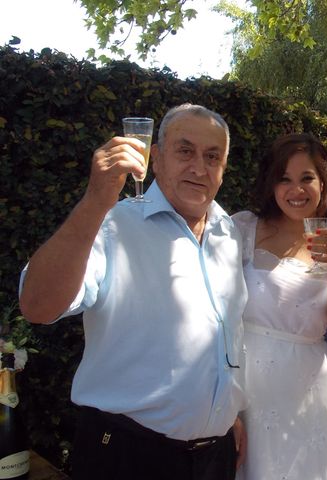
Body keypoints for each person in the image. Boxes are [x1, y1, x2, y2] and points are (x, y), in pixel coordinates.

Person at [18, 104, 248, 480]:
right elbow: (37, 306)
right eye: (185, 151)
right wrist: (95, 200)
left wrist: (224, 412)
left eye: (213, 157)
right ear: (155, 158)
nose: (199, 168)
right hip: (127, 456)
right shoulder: (112, 224)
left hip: (215, 457)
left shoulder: (228, 231)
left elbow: (225, 337)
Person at [232, 133, 327, 480]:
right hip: (245, 383)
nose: (296, 190)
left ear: (323, 183)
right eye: (284, 179)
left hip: (309, 387)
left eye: (306, 178)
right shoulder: (242, 228)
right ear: (271, 184)